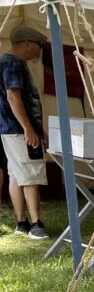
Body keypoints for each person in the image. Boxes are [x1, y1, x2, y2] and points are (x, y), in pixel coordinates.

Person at [1, 25, 50, 239]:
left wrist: (37, 129)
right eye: (39, 45)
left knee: (16, 175)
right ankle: (36, 224)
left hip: (10, 128)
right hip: (18, 129)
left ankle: (22, 223)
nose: (39, 50)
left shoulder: (7, 61)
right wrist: (28, 129)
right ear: (28, 44)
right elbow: (13, 97)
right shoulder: (12, 63)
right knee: (30, 174)